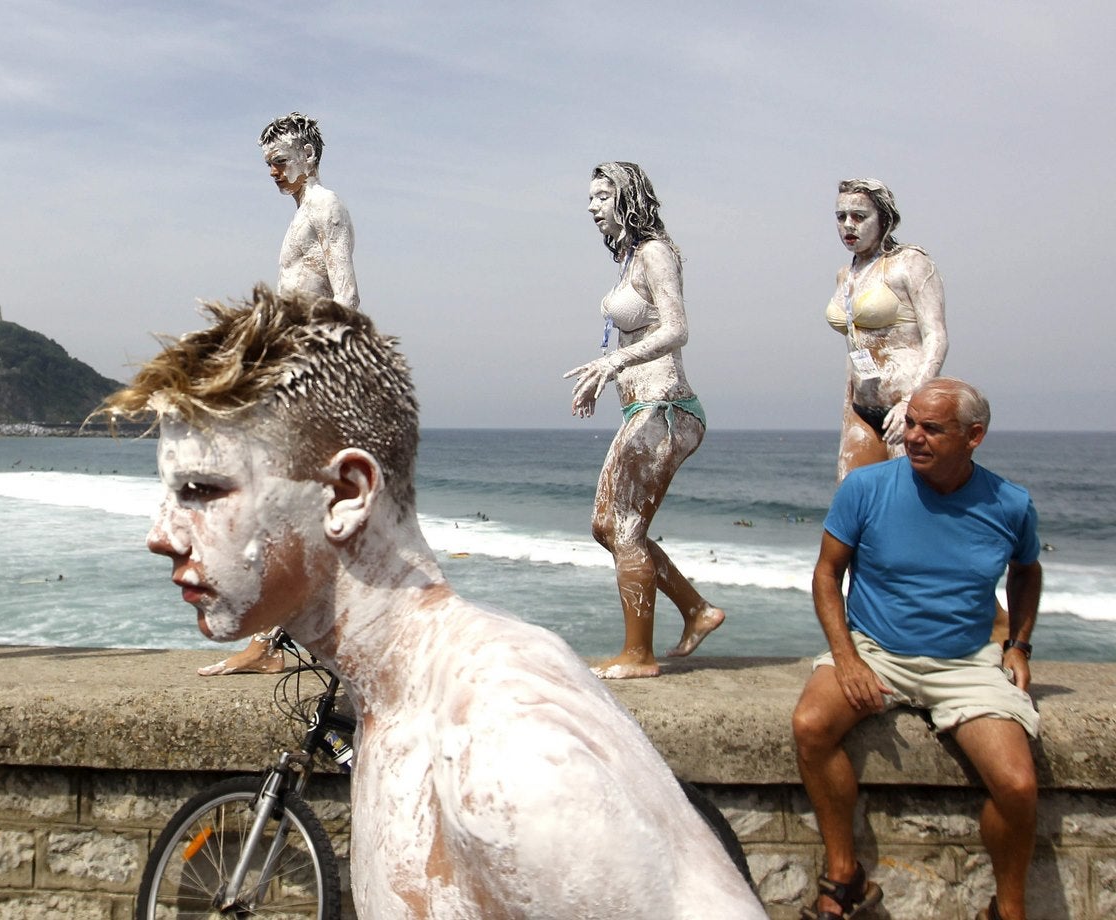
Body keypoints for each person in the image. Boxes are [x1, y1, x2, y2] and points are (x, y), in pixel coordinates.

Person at [105, 286, 765, 918]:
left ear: (345, 495)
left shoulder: (505, 753)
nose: (159, 535)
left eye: (201, 490)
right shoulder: (394, 702)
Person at [792, 378, 1040, 920]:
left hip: (967, 661)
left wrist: (1018, 644)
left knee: (1018, 784)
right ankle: (844, 876)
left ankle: (1009, 910)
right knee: (811, 725)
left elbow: (1027, 571)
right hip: (876, 649)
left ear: (973, 436)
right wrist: (847, 656)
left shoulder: (1010, 503)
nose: (913, 438)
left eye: (932, 428)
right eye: (910, 424)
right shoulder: (866, 488)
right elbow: (826, 574)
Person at [196, 111, 360, 677]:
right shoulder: (302, 215)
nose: (273, 171)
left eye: (281, 160)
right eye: (267, 163)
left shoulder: (325, 207)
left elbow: (347, 297)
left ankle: (276, 641)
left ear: (309, 157)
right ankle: (287, 637)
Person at [563, 162, 725, 679]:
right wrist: (606, 376)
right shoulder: (629, 258)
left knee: (623, 526)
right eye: (590, 198)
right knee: (606, 526)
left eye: (601, 197)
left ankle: (639, 655)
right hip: (644, 407)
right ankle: (697, 609)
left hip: (668, 408)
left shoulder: (655, 253)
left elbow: (677, 329)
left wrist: (612, 363)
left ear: (627, 197)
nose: (592, 207)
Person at [826, 178, 947, 483]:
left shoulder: (911, 263)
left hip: (905, 402)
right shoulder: (846, 273)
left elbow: (936, 336)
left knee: (908, 497)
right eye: (841, 217)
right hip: (860, 402)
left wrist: (913, 403)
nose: (848, 225)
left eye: (859, 216)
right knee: (851, 496)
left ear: (884, 218)